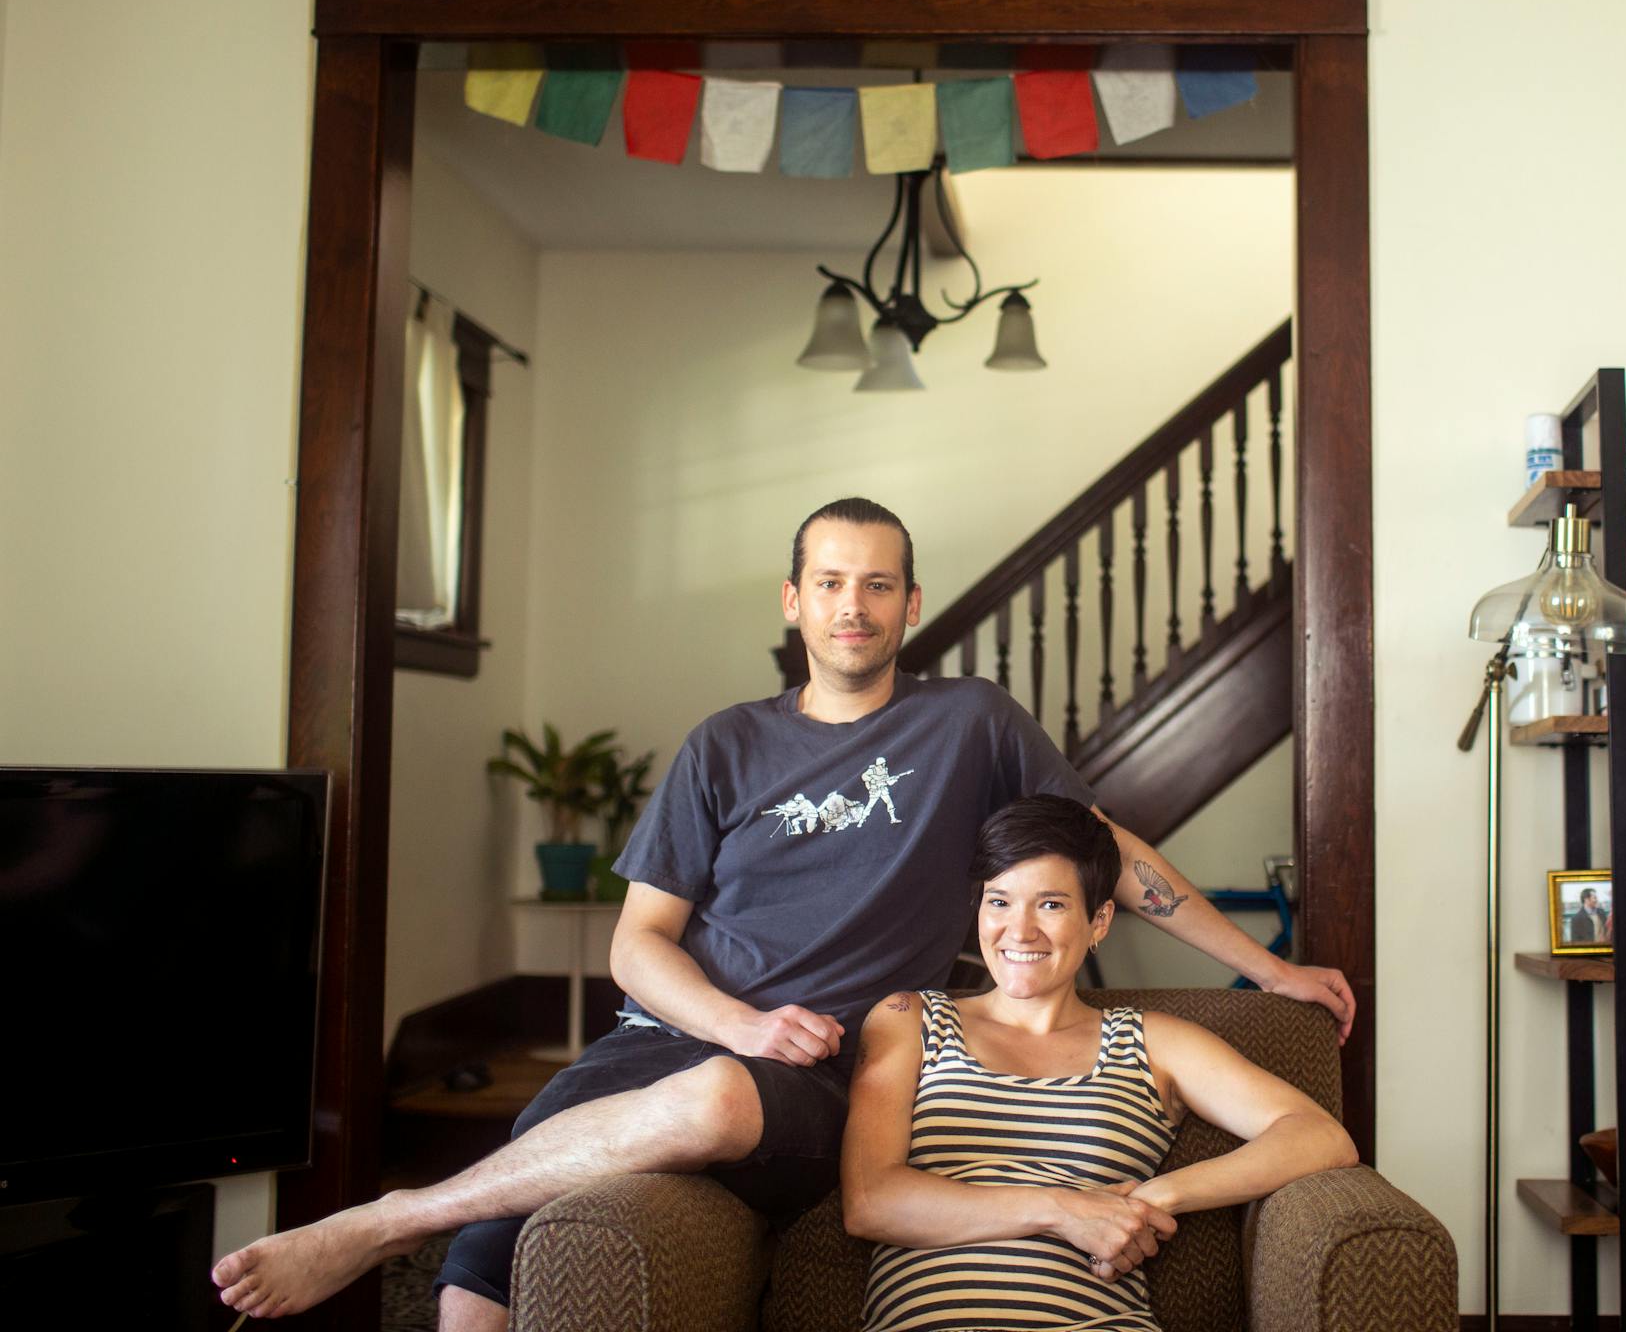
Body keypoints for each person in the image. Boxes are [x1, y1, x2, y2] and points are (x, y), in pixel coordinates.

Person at [210, 497, 1354, 1327]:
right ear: (794, 598)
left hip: (815, 1078)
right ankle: (398, 1228)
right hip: (675, 1039)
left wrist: (1268, 967)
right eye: (831, 581)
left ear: (911, 603)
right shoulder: (726, 744)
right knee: (491, 1255)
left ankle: (380, 1218)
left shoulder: (970, 726)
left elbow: (1110, 856)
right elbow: (637, 943)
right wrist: (737, 1023)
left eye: (878, 584)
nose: (852, 606)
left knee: (707, 1099)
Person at [842, 795, 1358, 1332]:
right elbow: (870, 1201)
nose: (1018, 931)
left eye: (1051, 904)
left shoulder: (1152, 1042)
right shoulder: (909, 1018)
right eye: (998, 902)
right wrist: (1062, 1209)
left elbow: (1320, 1136)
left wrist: (1157, 1197)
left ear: (1100, 921)